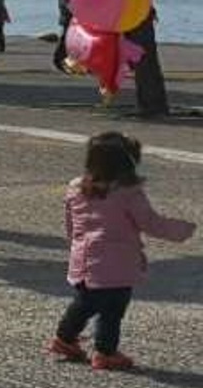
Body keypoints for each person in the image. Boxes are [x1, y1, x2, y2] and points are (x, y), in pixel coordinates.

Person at [48, 132, 194, 371]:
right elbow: (150, 223)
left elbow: (71, 224)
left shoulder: (76, 187)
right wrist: (181, 230)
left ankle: (65, 338)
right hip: (116, 264)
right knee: (112, 309)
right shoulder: (128, 193)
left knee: (85, 301)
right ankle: (105, 352)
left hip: (83, 259)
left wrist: (75, 245)